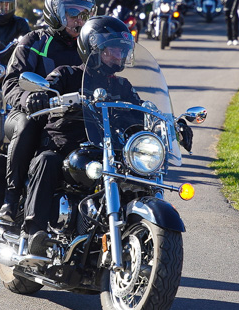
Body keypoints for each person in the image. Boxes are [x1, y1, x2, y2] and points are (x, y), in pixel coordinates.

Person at [20, 16, 193, 254]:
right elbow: (47, 90)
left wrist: (173, 124)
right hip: (66, 146)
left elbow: (143, 111)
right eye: (112, 49)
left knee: (138, 174)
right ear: (93, 48)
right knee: (46, 161)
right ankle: (33, 232)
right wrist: (40, 97)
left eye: (122, 50)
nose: (118, 56)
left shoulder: (122, 86)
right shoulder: (67, 74)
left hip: (109, 150)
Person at [0, 0, 97, 224]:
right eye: (73, 13)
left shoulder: (91, 46)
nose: (79, 20)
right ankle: (11, 198)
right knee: (30, 124)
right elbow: (9, 83)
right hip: (29, 111)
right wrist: (29, 99)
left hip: (73, 116)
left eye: (86, 14)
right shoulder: (33, 42)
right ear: (54, 11)